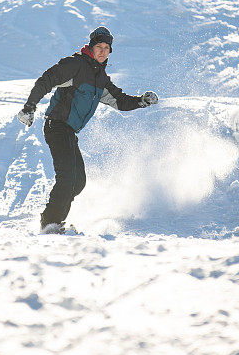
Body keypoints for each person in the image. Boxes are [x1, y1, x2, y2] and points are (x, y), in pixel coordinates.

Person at [16, 26, 159, 234]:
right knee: (67, 177)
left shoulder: (100, 79)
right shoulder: (75, 65)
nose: (102, 51)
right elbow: (46, 79)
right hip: (57, 126)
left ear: (110, 51)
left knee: (78, 182)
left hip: (69, 132)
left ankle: (53, 220)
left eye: (106, 48)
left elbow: (120, 101)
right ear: (91, 47)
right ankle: (50, 223)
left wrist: (141, 101)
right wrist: (30, 106)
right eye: (98, 46)